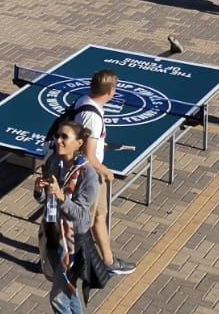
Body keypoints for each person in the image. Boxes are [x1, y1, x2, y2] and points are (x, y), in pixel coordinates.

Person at [65, 70, 137, 280]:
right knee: (84, 220)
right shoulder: (93, 118)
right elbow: (89, 156)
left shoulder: (84, 101)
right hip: (89, 174)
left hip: (87, 170)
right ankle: (69, 261)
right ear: (111, 91)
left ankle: (108, 260)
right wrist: (106, 172)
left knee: (98, 216)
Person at [36, 120, 98, 314]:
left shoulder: (88, 175)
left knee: (58, 298)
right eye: (58, 136)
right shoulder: (54, 161)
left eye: (64, 137)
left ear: (79, 143)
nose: (59, 140)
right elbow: (46, 201)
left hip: (73, 242)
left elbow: (81, 215)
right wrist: (39, 191)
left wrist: (61, 196)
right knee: (68, 291)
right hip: (52, 233)